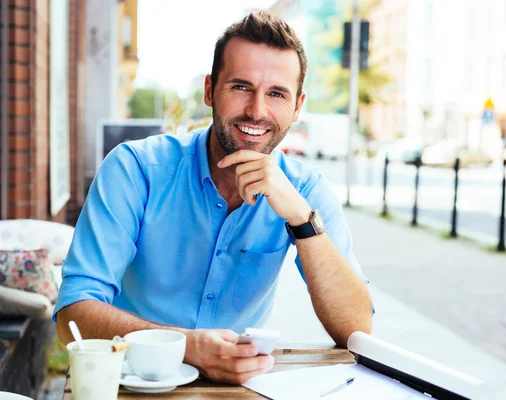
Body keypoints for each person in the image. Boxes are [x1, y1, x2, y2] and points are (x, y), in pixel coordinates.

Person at [54, 11, 373, 384]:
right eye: (241, 87)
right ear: (209, 90)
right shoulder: (136, 169)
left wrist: (303, 221)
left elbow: (357, 329)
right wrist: (186, 346)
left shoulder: (305, 191)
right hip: (130, 381)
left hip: (235, 387)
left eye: (276, 94)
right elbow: (72, 313)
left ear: (298, 105)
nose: (257, 110)